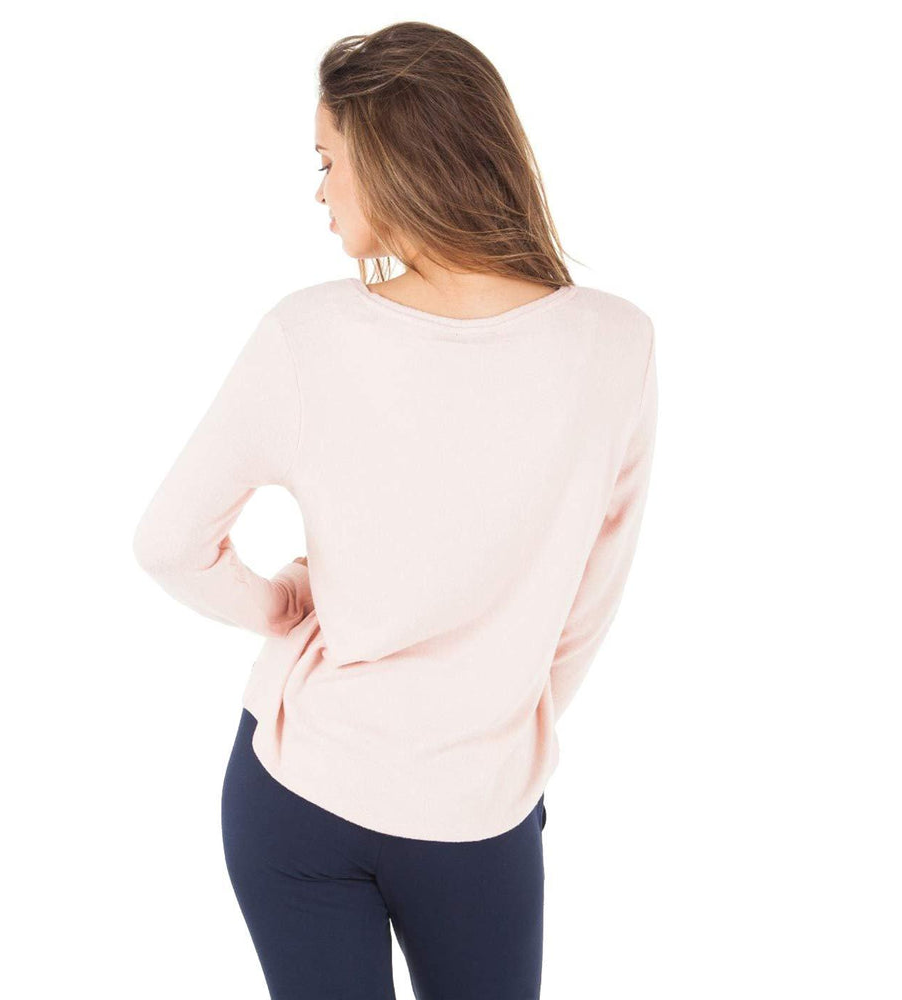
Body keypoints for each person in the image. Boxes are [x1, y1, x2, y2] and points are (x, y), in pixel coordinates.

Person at [132, 20, 658, 1000]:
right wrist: (495, 721)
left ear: (388, 161)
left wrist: (284, 606)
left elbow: (169, 542)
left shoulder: (307, 335)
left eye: (326, 161)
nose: (319, 191)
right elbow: (590, 600)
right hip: (479, 807)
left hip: (297, 794)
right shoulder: (615, 346)